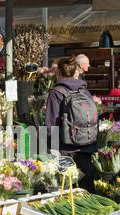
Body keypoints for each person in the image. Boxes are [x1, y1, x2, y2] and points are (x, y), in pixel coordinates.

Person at [45, 56, 97, 193]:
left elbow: (52, 124)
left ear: (59, 73)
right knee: (87, 191)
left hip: (65, 150)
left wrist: (52, 149)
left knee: (66, 191)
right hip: (86, 147)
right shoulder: (84, 91)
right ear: (75, 72)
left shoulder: (56, 93)